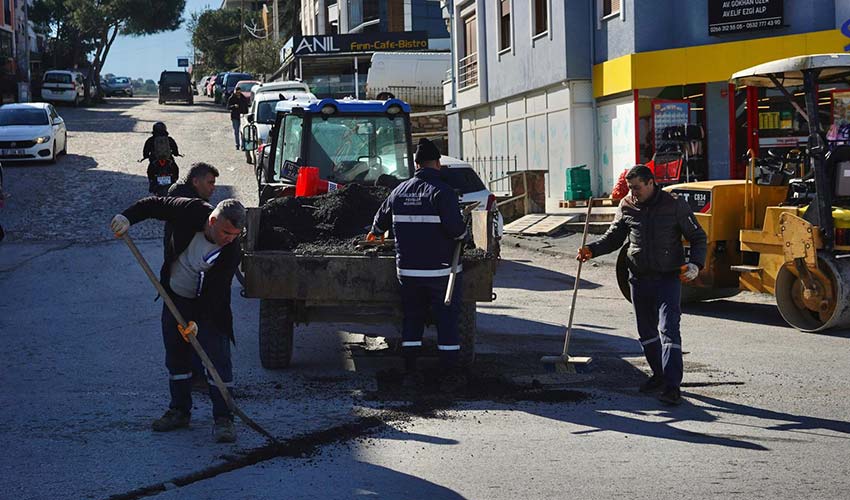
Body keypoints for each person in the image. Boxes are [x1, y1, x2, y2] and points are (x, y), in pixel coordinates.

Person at [110, 197, 246, 442]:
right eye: (226, 232)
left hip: (210, 308)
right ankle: (179, 411)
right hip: (175, 298)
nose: (230, 238)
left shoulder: (232, 250)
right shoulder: (190, 210)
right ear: (212, 220)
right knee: (176, 356)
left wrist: (197, 321)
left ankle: (224, 418)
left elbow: (216, 291)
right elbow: (152, 205)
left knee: (217, 361)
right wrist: (126, 217)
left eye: (236, 234)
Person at [577, 165, 707, 406]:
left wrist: (696, 264)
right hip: (639, 278)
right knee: (646, 333)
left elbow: (698, 236)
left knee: (669, 329)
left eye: (637, 187)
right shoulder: (627, 205)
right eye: (630, 188)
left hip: (668, 278)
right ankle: (658, 375)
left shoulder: (674, 204)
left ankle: (672, 385)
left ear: (650, 183)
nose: (633, 192)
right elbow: (614, 238)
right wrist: (591, 250)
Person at [370, 138, 467, 390]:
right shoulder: (442, 192)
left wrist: (376, 233)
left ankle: (410, 371)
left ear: (415, 164)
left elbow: (378, 224)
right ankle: (449, 373)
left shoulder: (398, 191)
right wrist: (464, 234)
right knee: (446, 321)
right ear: (437, 163)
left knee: (412, 318)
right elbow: (456, 231)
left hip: (408, 272)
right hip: (441, 271)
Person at [166, 162, 221, 392]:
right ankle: (195, 377)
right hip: (185, 279)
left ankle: (192, 376)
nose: (213, 188)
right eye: (210, 182)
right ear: (195, 181)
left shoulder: (178, 200)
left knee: (186, 329)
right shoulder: (190, 207)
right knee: (190, 329)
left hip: (178, 276)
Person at [143, 122, 180, 195]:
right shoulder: (169, 139)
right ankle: (174, 181)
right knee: (175, 168)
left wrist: (145, 156)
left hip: (155, 160)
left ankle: (152, 182)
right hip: (168, 159)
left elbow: (146, 150)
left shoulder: (150, 140)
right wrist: (176, 153)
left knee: (150, 170)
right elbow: (175, 149)